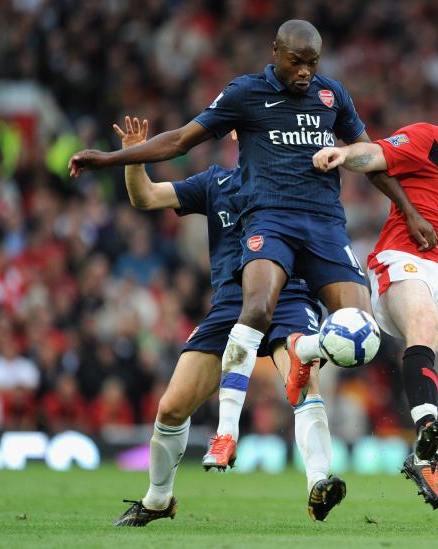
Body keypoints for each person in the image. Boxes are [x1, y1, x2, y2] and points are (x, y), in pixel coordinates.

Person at [67, 22, 437, 440]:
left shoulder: (332, 95)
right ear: (275, 52)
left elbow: (370, 156)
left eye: (312, 63)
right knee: (245, 321)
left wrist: (408, 210)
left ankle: (305, 363)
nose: (305, 73)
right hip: (263, 242)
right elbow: (178, 145)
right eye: (296, 62)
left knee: (362, 331)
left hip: (324, 229)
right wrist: (113, 158)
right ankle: (223, 437)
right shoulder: (239, 112)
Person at [110, 117, 344, 526]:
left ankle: (318, 484)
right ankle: (158, 498)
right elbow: (145, 197)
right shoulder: (215, 183)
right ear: (237, 133)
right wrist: (135, 156)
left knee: (304, 384)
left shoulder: (300, 185)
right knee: (171, 407)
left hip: (289, 299)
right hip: (230, 304)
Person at [312, 84, 438, 510]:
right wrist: (344, 154)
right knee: (422, 321)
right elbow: (377, 155)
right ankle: (425, 425)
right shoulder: (429, 139)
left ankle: (429, 457)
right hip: (404, 258)